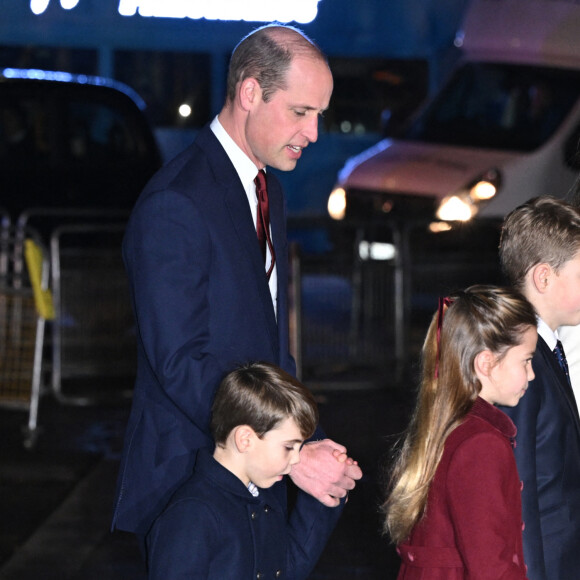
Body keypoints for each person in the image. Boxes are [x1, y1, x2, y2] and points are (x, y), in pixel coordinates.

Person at [111, 23, 362, 547]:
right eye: (300, 112)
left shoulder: (268, 186)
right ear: (250, 92)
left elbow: (268, 344)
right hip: (191, 485)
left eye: (320, 114)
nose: (313, 133)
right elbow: (180, 363)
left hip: (252, 474)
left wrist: (305, 441)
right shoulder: (175, 202)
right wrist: (288, 452)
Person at [383, 285, 537, 579]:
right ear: (486, 363)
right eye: (526, 360)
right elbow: (491, 569)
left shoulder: (452, 426)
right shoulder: (481, 445)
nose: (531, 374)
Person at [147, 361, 346, 579]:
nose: (296, 459)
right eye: (289, 447)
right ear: (245, 439)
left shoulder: (261, 499)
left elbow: (288, 568)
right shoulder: (192, 515)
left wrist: (322, 496)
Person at [497, 195, 580, 580]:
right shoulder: (520, 364)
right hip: (544, 561)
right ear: (544, 277)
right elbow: (519, 488)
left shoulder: (549, 349)